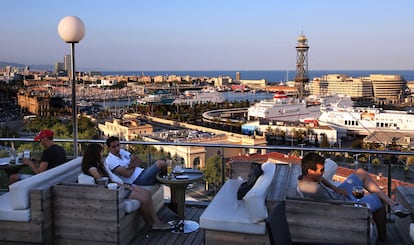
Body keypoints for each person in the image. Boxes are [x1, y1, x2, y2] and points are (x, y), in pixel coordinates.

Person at [81, 143, 170, 230]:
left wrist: (125, 184)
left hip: (120, 185)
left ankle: (155, 222)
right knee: (144, 198)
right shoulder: (93, 169)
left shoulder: (99, 165)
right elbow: (105, 183)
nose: (101, 154)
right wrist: (124, 186)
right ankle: (150, 223)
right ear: (95, 154)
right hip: (116, 190)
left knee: (146, 193)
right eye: (100, 152)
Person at [297, 152, 410, 218]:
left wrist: (336, 189)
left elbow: (321, 179)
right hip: (345, 203)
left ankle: (392, 203)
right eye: (321, 170)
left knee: (361, 172)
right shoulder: (312, 189)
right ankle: (382, 237)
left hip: (339, 194)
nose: (323, 173)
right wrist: (359, 203)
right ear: (310, 171)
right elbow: (334, 207)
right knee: (378, 200)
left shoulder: (304, 178)